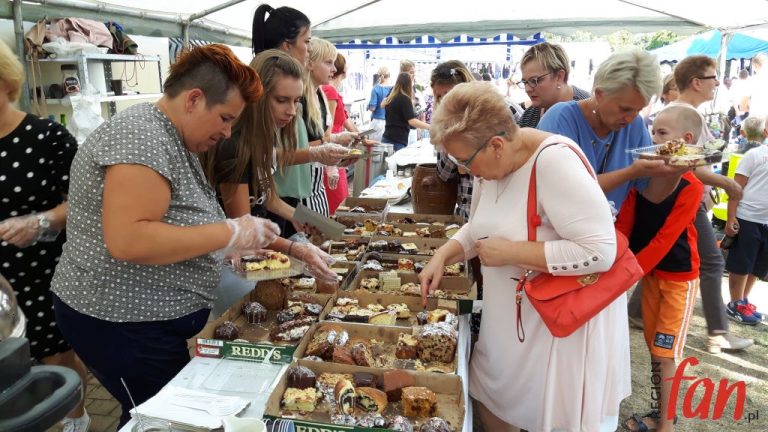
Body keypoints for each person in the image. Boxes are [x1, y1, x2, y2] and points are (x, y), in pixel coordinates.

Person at [50, 44, 280, 427]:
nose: (226, 133)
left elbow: (176, 221)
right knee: (160, 419)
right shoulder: (141, 135)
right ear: (193, 99)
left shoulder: (170, 135)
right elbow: (129, 240)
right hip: (119, 320)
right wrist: (227, 232)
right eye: (225, 118)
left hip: (143, 320)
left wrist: (234, 241)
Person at [420, 81, 629, 432]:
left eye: (466, 161)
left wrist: (513, 252)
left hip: (553, 331)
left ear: (497, 145)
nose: (465, 171)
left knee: (545, 414)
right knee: (491, 397)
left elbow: (600, 251)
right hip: (510, 321)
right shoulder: (494, 163)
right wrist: (445, 253)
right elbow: (479, 227)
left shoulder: (554, 162)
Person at [0, 38, 90, 432]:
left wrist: (40, 222)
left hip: (40, 271)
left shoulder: (46, 138)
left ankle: (76, 415)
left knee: (56, 355)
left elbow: (86, 203)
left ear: (6, 84)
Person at [644, 55, 752, 353]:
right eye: (712, 77)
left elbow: (696, 158)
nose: (717, 82)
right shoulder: (683, 113)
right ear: (696, 82)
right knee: (712, 261)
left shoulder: (683, 111)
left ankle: (636, 312)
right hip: (686, 198)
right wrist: (727, 183)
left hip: (682, 197)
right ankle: (718, 332)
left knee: (664, 251)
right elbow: (689, 163)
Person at [200, 49, 336, 282]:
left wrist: (306, 218)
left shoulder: (263, 135)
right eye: (281, 100)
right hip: (223, 265)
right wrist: (295, 249)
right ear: (258, 96)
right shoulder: (235, 145)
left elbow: (268, 197)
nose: (291, 111)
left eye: (296, 101)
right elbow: (244, 226)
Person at [616, 106, 705, 432]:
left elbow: (665, 240)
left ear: (686, 140)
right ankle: (660, 413)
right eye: (653, 132)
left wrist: (627, 272)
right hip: (649, 276)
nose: (653, 139)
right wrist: (616, 257)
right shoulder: (642, 178)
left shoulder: (690, 185)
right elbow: (625, 225)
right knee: (654, 348)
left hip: (676, 280)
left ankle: (665, 424)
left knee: (664, 353)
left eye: (662, 134)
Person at [251, 4, 351, 235]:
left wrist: (299, 218)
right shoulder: (250, 123)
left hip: (287, 200)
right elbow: (266, 159)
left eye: (296, 102)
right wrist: (317, 153)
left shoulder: (297, 92)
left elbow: (269, 192)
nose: (292, 111)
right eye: (306, 42)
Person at [537, 49, 673, 212]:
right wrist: (631, 172)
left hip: (599, 233)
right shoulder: (561, 118)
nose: (630, 118)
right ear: (600, 94)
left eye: (638, 110)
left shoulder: (635, 125)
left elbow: (653, 195)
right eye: (625, 109)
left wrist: (676, 170)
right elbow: (568, 191)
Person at [724, 128, 768, 325]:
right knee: (742, 263)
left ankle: (744, 300)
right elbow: (736, 187)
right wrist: (730, 217)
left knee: (758, 266)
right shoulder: (755, 155)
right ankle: (735, 303)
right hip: (748, 217)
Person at [517, 42, 591, 128]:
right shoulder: (530, 116)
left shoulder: (588, 111)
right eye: (525, 82)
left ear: (559, 77)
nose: (527, 89)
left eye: (534, 81)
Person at [322, 53, 357, 214]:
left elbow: (346, 122)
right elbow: (326, 129)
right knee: (336, 203)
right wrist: (331, 166)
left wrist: (360, 137)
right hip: (331, 152)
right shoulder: (329, 90)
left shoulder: (332, 91)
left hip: (334, 149)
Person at [382, 72, 430, 151]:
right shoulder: (405, 99)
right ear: (409, 84)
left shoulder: (391, 98)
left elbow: (382, 105)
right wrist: (429, 127)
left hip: (386, 137)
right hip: (397, 140)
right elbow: (412, 121)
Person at [368, 66, 392, 142]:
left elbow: (372, 108)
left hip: (377, 122)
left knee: (374, 147)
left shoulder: (375, 88)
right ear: (389, 76)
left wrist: (368, 106)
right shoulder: (393, 89)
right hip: (389, 123)